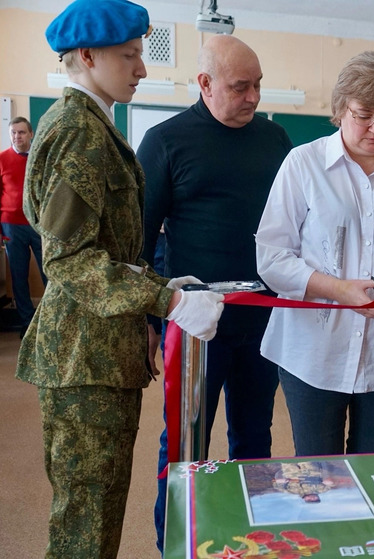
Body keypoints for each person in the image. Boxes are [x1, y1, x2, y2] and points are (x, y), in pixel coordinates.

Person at [15, 1, 224, 557]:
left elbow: (93, 244)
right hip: (85, 357)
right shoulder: (78, 132)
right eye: (130, 55)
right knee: (87, 515)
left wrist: (154, 281)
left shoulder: (86, 125)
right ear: (87, 56)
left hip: (98, 351)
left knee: (96, 506)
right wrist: (164, 300)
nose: (142, 68)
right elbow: (67, 258)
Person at [138, 34, 293, 553]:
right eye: (240, 86)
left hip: (263, 322)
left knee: (255, 439)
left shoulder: (275, 141)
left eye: (258, 86)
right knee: (186, 446)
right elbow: (139, 244)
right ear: (204, 84)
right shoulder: (164, 141)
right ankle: (175, 544)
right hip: (196, 326)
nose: (252, 97)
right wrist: (147, 325)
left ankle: (256, 541)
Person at [255, 51, 374, 457]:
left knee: (373, 471)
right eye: (364, 115)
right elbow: (272, 257)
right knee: (319, 474)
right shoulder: (303, 164)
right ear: (341, 108)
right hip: (313, 355)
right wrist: (339, 289)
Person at [0, 117, 47, 337]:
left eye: (21, 132)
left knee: (49, 272)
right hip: (11, 225)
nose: (17, 136)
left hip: (39, 225)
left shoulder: (40, 159)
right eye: (13, 133)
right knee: (19, 276)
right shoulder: (2, 159)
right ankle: (28, 324)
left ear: (31, 134)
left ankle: (49, 320)